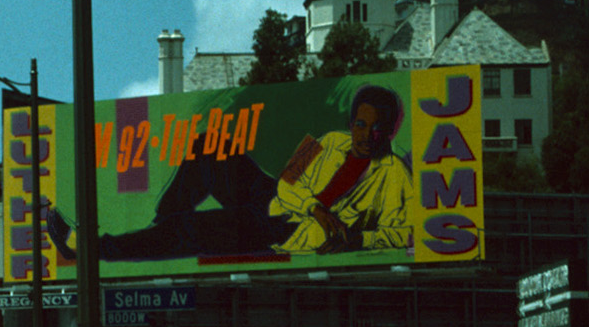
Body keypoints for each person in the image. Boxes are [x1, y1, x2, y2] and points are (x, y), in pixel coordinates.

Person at [48, 85, 411, 263]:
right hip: (275, 199)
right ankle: (161, 232)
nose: (365, 134)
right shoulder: (331, 140)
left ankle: (91, 249)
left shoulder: (394, 176)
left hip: (287, 231)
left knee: (189, 230)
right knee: (209, 145)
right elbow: (287, 181)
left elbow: (401, 233)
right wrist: (315, 205)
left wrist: (355, 239)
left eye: (376, 128)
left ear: (391, 131)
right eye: (360, 124)